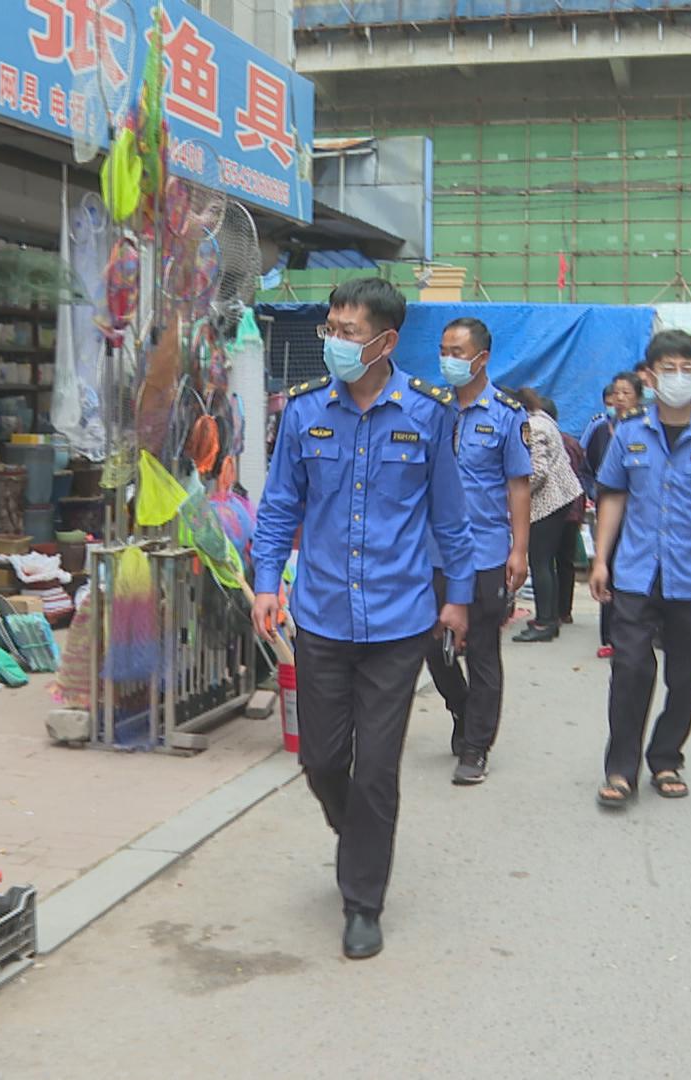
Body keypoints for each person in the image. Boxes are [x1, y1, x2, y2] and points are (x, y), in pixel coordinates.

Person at [252, 277, 473, 960]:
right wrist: (266, 583)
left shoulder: (428, 413)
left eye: (348, 332)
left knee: (375, 768)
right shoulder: (304, 411)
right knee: (321, 760)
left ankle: (362, 901)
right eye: (331, 329)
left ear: (385, 341)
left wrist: (458, 596)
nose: (335, 342)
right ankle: (359, 840)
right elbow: (280, 505)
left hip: (399, 621)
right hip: (321, 615)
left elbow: (450, 516)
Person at [588, 329, 691, 808]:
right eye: (670, 368)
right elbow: (613, 495)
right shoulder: (629, 431)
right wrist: (601, 559)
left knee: (685, 676)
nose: (679, 377)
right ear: (650, 376)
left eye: (688, 369)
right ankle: (621, 769)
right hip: (636, 573)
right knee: (630, 669)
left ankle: (665, 757)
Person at [426, 318, 532, 786]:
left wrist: (519, 550)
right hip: (432, 551)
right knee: (432, 644)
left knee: (483, 650)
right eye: (443, 350)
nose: (448, 359)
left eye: (458, 352)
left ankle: (476, 747)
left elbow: (518, 485)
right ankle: (462, 708)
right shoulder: (432, 408)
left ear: (482, 358)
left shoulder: (507, 414)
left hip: (485, 550)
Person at [512, 387, 584, 644]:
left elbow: (538, 471)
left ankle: (545, 622)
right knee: (546, 562)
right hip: (560, 499)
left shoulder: (533, 427)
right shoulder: (543, 419)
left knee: (540, 561)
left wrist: (516, 494)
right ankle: (549, 617)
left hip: (548, 502)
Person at [586, 372, 644, 660]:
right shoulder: (600, 430)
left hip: (639, 517)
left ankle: (640, 630)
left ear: (639, 397)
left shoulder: (645, 430)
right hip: (609, 514)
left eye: (626, 393)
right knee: (606, 568)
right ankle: (609, 635)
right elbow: (586, 466)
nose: (619, 398)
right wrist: (594, 492)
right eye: (615, 393)